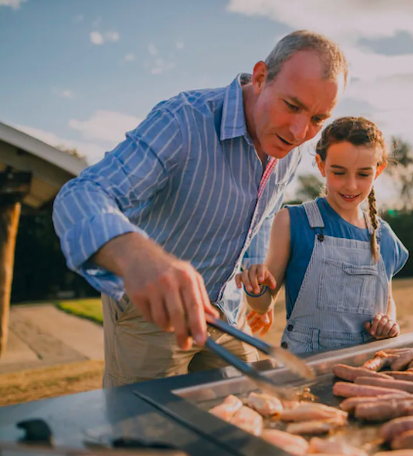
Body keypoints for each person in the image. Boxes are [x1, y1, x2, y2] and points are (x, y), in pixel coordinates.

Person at [51, 31, 348, 387]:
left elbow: (265, 211)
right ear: (259, 77)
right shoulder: (182, 120)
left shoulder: (292, 146)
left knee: (254, 410)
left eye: (318, 119)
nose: (300, 131)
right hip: (153, 316)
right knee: (152, 435)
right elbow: (81, 194)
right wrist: (137, 256)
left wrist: (255, 267)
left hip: (227, 311)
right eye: (292, 105)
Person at [235, 117, 409, 354]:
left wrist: (388, 321)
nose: (350, 185)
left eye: (363, 174)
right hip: (307, 366)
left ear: (378, 170)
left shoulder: (384, 236)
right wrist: (255, 289)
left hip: (369, 367)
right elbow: (264, 303)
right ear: (320, 165)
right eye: (339, 173)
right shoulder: (291, 221)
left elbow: (387, 301)